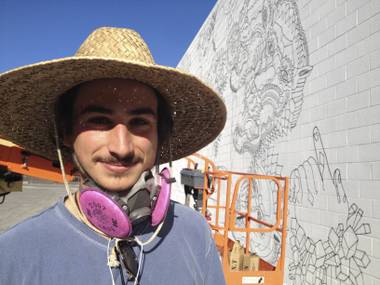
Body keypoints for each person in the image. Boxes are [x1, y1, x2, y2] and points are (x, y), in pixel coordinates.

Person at [0, 27, 227, 285]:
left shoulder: (194, 234)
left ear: (159, 135)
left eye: (140, 122)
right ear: (65, 131)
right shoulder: (13, 256)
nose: (122, 147)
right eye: (99, 120)